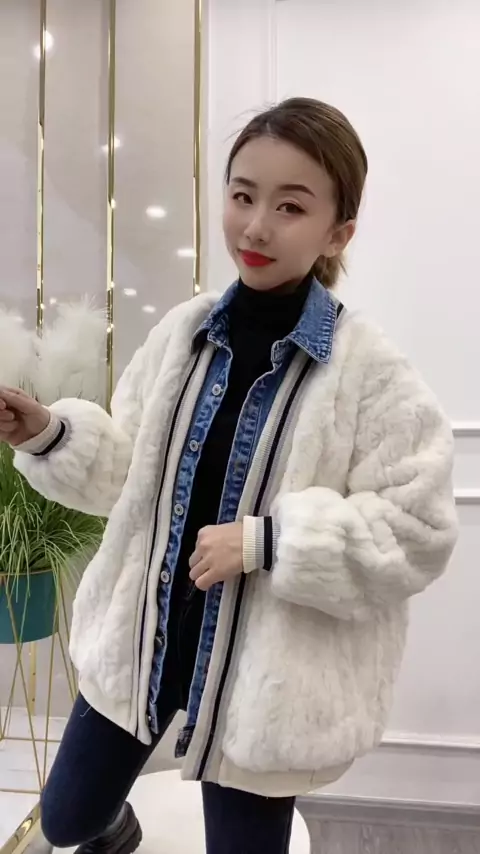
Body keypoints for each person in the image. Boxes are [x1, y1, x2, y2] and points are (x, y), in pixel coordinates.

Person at [0, 98, 457, 854]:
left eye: (291, 206)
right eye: (242, 195)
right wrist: (49, 433)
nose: (255, 227)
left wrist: (268, 542)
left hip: (265, 684)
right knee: (67, 820)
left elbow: (419, 531)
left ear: (338, 232)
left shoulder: (373, 375)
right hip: (143, 640)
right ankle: (118, 826)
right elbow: (128, 477)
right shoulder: (182, 333)